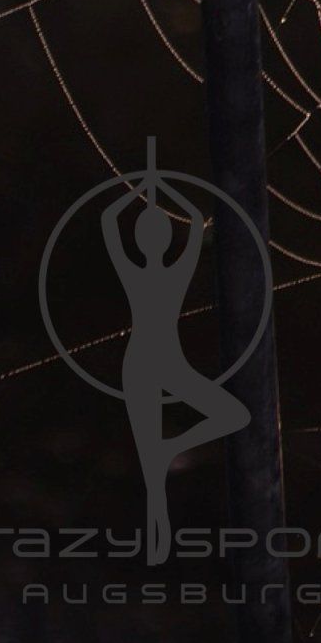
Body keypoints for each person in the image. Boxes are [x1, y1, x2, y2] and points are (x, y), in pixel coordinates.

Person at [101, 152, 249, 565]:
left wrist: (143, 186)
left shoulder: (135, 272)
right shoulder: (176, 270)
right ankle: (157, 543)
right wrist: (160, 188)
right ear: (166, 238)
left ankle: (167, 465)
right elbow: (196, 222)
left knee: (155, 460)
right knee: (231, 414)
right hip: (165, 361)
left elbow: (111, 224)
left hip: (145, 363)